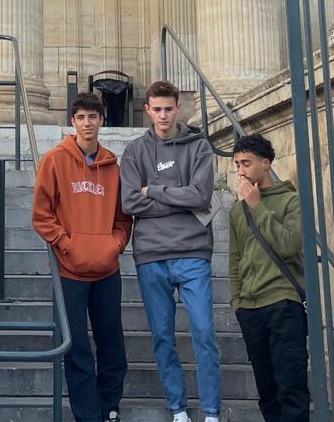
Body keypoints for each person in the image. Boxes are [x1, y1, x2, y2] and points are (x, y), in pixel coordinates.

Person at [120, 80, 222, 422]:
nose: (163, 116)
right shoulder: (135, 151)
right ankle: (178, 409)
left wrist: (154, 191)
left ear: (178, 108)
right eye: (157, 109)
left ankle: (211, 412)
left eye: (168, 109)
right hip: (151, 254)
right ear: (147, 110)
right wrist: (180, 198)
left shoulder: (199, 147)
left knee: (204, 332)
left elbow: (201, 196)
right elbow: (130, 202)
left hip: (193, 251)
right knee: (163, 336)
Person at [33, 92, 132, 422]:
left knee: (112, 344)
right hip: (69, 270)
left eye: (93, 117)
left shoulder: (113, 167)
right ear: (72, 122)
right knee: (76, 348)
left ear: (102, 120)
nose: (87, 123)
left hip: (107, 269)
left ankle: (110, 408)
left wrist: (115, 244)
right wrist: (66, 244)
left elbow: (123, 218)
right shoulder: (54, 160)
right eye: (81, 118)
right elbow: (42, 215)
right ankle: (88, 415)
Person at [230, 135, 309, 422]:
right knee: (267, 391)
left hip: (283, 303)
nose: (241, 171)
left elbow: (289, 245)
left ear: (266, 164)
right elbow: (235, 259)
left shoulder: (291, 201)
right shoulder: (237, 210)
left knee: (291, 386)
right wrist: (237, 302)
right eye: (237, 164)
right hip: (250, 309)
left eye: (246, 163)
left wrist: (257, 206)